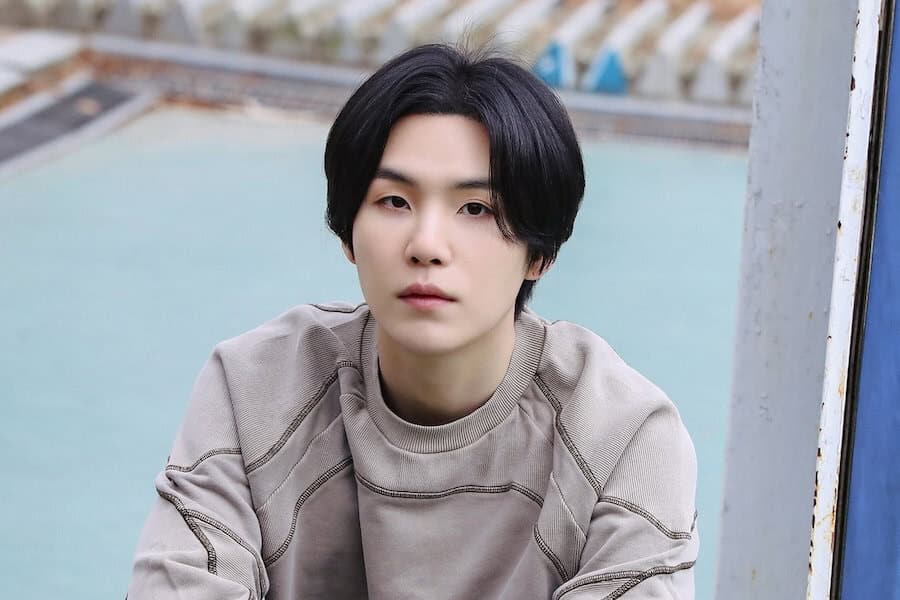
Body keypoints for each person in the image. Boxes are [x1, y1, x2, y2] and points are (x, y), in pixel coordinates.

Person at [127, 43, 698, 599]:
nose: (426, 245)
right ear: (348, 232)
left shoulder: (621, 434)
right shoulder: (255, 387)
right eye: (394, 201)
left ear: (540, 253)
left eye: (476, 209)